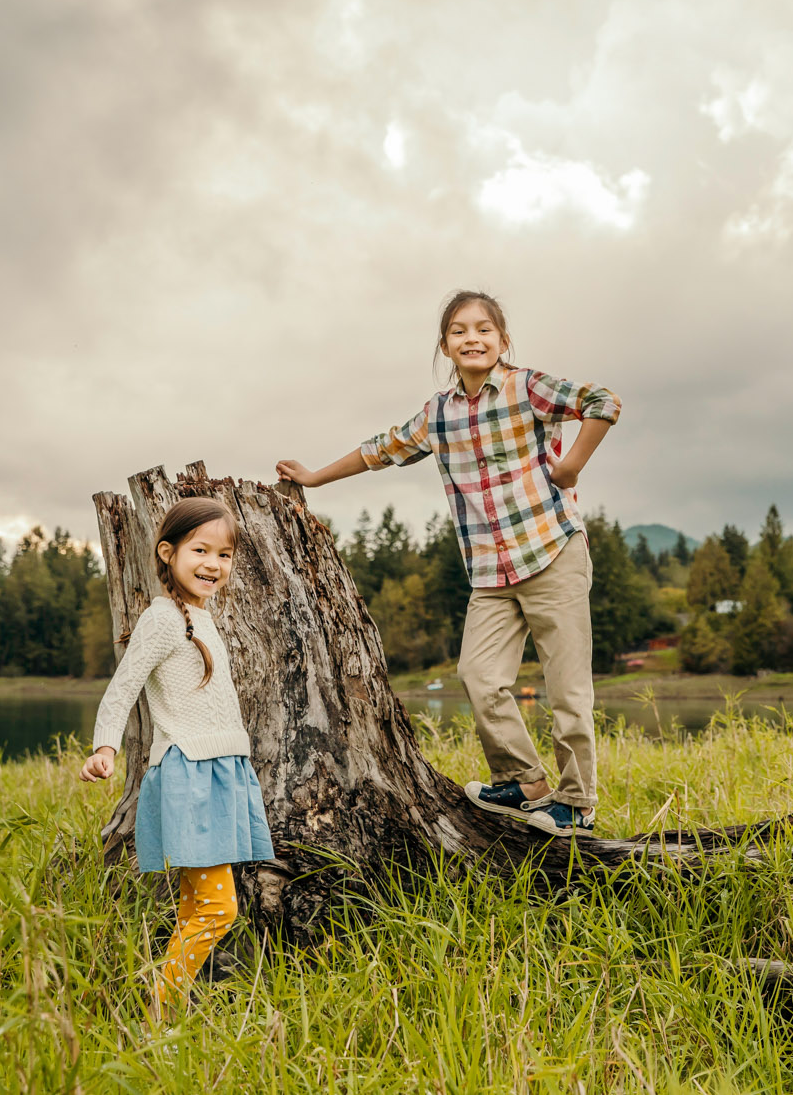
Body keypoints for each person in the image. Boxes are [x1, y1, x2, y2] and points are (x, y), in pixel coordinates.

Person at [276, 289, 620, 837]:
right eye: (460, 331)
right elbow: (379, 449)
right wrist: (315, 476)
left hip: (551, 550)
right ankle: (524, 781)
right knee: (478, 674)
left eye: (484, 329)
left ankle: (577, 802)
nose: (472, 338)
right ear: (445, 346)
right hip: (490, 570)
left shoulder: (528, 387)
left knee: (567, 688)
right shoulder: (439, 414)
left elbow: (603, 403)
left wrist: (572, 466)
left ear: (503, 341)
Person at [81, 496, 273, 1019]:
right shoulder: (164, 618)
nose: (214, 564)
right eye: (200, 550)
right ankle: (161, 1011)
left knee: (196, 904)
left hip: (222, 768)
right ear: (168, 553)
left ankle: (169, 1005)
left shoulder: (202, 617)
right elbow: (123, 688)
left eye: (225, 555)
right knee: (218, 908)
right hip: (191, 771)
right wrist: (105, 747)